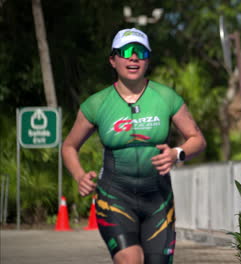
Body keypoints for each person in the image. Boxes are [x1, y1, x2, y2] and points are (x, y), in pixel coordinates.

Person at [62, 28, 206, 264]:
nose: (134, 57)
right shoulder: (97, 104)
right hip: (114, 198)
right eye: (126, 51)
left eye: (140, 52)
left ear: (148, 59)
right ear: (113, 60)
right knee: (130, 259)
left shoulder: (166, 97)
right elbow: (69, 146)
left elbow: (197, 139)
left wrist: (176, 153)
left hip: (158, 201)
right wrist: (79, 176)